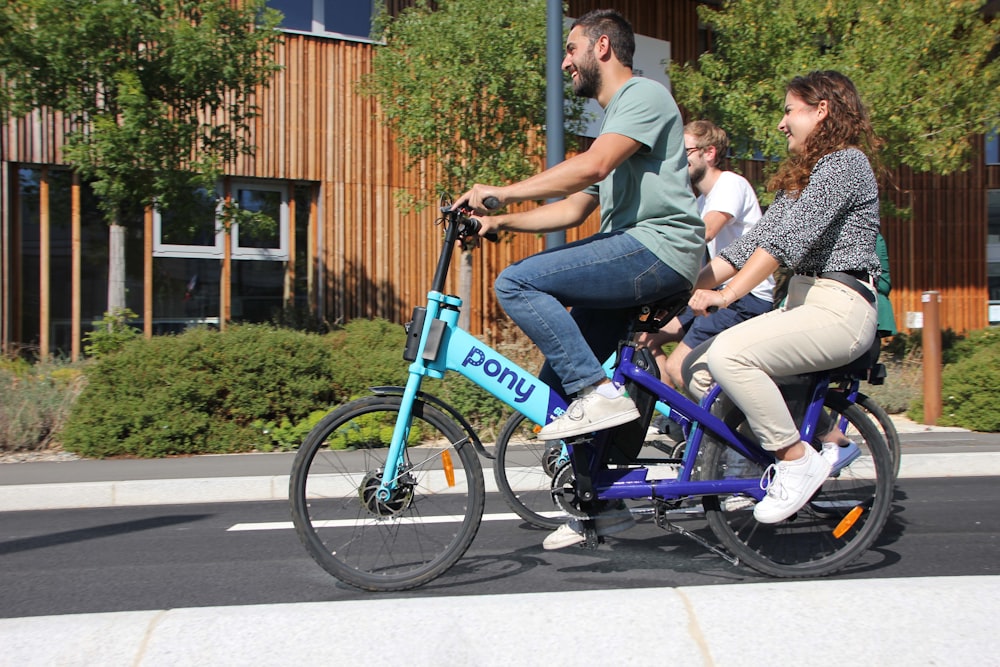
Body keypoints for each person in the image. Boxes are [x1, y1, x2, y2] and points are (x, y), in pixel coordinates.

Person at [453, 9, 704, 548]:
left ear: (604, 47)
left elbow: (591, 168)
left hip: (658, 249)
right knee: (553, 393)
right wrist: (499, 220)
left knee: (516, 283)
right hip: (633, 254)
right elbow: (572, 209)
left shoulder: (645, 97)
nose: (565, 61)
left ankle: (597, 390)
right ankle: (602, 504)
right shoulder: (616, 124)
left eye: (572, 49)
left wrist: (500, 190)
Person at [680, 70, 883, 525]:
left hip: (840, 307)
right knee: (697, 371)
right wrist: (676, 284)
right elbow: (746, 247)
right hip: (803, 304)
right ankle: (763, 466)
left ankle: (796, 460)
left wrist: (726, 295)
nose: (781, 123)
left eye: (790, 110)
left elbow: (788, 243)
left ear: (822, 110)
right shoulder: (801, 180)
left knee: (730, 354)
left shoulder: (846, 164)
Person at [639, 120, 774, 389]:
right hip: (712, 294)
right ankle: (678, 420)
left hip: (745, 297)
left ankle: (722, 429)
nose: (677, 160)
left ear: (709, 153)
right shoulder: (701, 201)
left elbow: (707, 231)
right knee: (646, 339)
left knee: (681, 367)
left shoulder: (730, 184)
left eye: (684, 152)